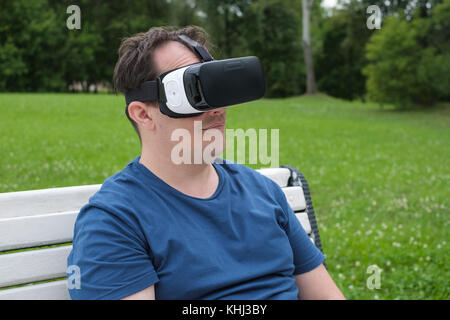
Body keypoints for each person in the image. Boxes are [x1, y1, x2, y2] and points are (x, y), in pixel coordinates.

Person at [67, 26, 345, 300]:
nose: (217, 109)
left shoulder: (263, 192)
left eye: (217, 87)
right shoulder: (115, 221)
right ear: (143, 114)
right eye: (194, 91)